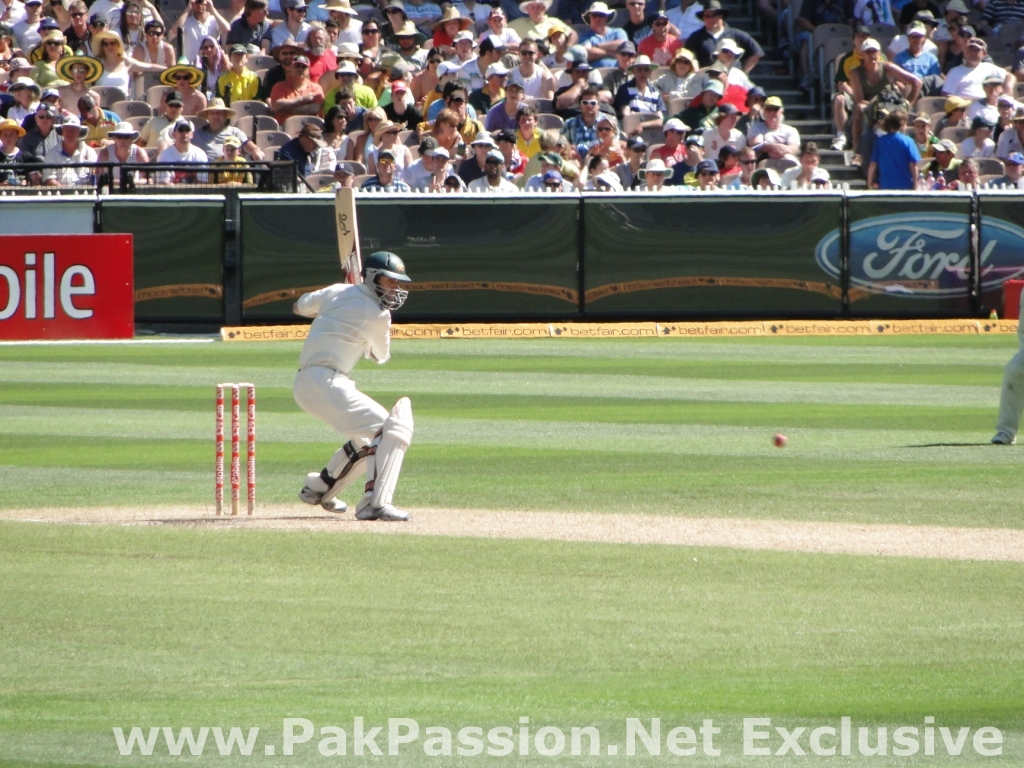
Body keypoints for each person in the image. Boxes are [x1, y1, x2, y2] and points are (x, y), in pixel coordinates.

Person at [293, 251, 414, 521]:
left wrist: (342, 296)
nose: (395, 288)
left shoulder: (336, 291)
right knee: (392, 430)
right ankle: (375, 503)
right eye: (390, 281)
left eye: (398, 283)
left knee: (370, 437)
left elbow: (300, 306)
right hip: (327, 382)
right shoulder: (379, 314)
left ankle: (320, 486)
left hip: (304, 383)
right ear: (372, 277)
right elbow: (379, 356)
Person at [683, 0, 762, 72]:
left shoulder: (736, 34)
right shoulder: (696, 37)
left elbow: (756, 52)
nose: (711, 19)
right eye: (707, 16)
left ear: (721, 16)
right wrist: (697, 73)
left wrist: (744, 73)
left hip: (733, 79)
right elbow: (686, 56)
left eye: (714, 15)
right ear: (703, 18)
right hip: (708, 80)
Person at [43, 114, 97, 186]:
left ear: (79, 132)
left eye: (73, 129)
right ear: (62, 131)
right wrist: (66, 192)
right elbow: (50, 180)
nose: (70, 132)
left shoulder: (90, 152)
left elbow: (96, 175)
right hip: (60, 195)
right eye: (67, 129)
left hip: (87, 194)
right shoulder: (52, 154)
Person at [270, 53, 324, 124]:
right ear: (291, 68)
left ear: (308, 70)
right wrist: (301, 99)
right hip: (284, 127)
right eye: (297, 66)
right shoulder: (279, 86)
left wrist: (286, 109)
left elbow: (315, 109)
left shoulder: (316, 88)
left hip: (309, 128)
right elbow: (276, 106)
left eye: (304, 67)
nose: (300, 69)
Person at [156, 119, 210, 183]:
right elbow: (164, 183)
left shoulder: (200, 154)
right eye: (181, 130)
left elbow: (203, 182)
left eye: (187, 130)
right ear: (174, 135)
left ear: (192, 135)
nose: (184, 133)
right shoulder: (164, 155)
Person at [578, 0, 627, 69]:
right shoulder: (584, 36)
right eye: (595, 15)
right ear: (590, 18)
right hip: (594, 74)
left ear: (607, 17)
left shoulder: (618, 32)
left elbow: (623, 45)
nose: (598, 18)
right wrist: (610, 53)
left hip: (618, 72)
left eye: (601, 15)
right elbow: (586, 53)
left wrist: (596, 46)